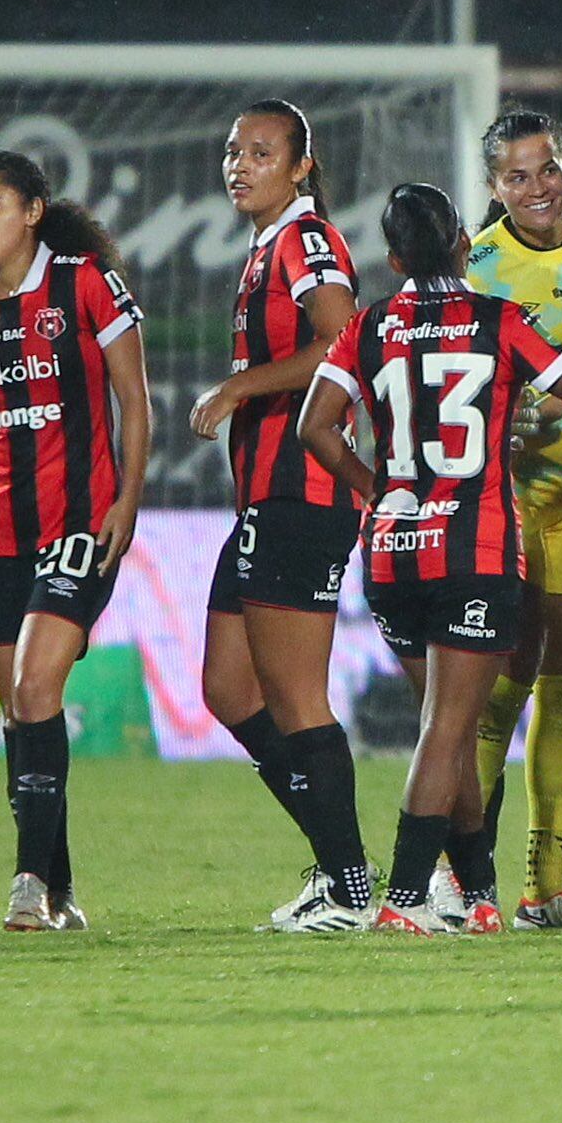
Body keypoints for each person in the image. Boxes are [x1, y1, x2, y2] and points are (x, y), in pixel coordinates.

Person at [298, 183, 562, 934]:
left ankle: (477, 896)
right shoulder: (499, 322)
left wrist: (375, 489)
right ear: (466, 246)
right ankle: (407, 899)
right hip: (473, 548)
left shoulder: (370, 326)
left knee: (449, 719)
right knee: (448, 729)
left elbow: (315, 428)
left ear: (394, 257)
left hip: (393, 550)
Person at [0, 150, 150, 931]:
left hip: (79, 523)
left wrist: (128, 497)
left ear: (31, 212)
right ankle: (60, 890)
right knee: (20, 718)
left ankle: (24, 884)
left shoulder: (85, 285)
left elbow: (133, 397)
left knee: (36, 689)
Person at [189, 99, 371, 932]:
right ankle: (344, 865)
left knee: (297, 698)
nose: (240, 165)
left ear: (301, 166)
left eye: (262, 152)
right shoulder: (269, 245)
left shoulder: (306, 240)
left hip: (305, 493)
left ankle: (350, 888)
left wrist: (239, 386)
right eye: (234, 151)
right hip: (265, 499)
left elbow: (344, 344)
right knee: (228, 689)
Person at [443, 110, 562, 930]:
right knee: (499, 685)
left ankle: (543, 887)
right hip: (513, 498)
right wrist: (502, 415)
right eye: (517, 177)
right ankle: (457, 871)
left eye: (546, 168)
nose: (538, 188)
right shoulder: (479, 268)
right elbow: (454, 376)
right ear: (492, 189)